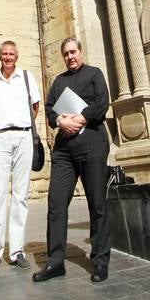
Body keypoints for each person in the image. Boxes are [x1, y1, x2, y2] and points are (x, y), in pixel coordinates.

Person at [33, 37, 110, 284]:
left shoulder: (95, 74)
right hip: (64, 150)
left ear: (81, 52)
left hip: (92, 144)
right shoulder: (59, 81)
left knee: (97, 202)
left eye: (73, 52)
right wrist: (59, 121)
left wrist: (80, 119)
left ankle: (100, 261)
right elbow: (49, 109)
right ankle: (56, 261)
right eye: (66, 53)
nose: (70, 57)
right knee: (56, 203)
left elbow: (101, 104)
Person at [0, 40, 40, 271]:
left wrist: (22, 123)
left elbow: (35, 106)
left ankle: (16, 251)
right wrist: (2, 124)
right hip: (0, 137)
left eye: (11, 54)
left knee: (20, 194)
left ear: (17, 56)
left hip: (24, 136)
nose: (8, 57)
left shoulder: (26, 78)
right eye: (4, 54)